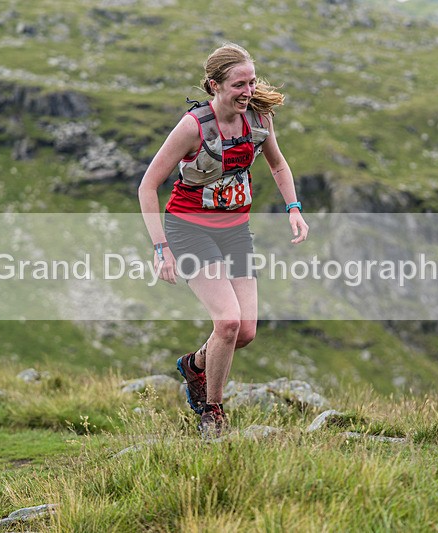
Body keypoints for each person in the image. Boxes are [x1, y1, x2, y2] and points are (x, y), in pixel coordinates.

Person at [138, 43, 308, 437]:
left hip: (235, 233)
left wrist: (294, 208)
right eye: (238, 84)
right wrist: (161, 247)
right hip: (189, 230)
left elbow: (278, 164)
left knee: (245, 332)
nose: (247, 91)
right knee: (227, 322)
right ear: (215, 86)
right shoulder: (193, 127)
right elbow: (148, 186)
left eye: (251, 82)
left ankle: (194, 367)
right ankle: (212, 410)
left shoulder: (259, 118)